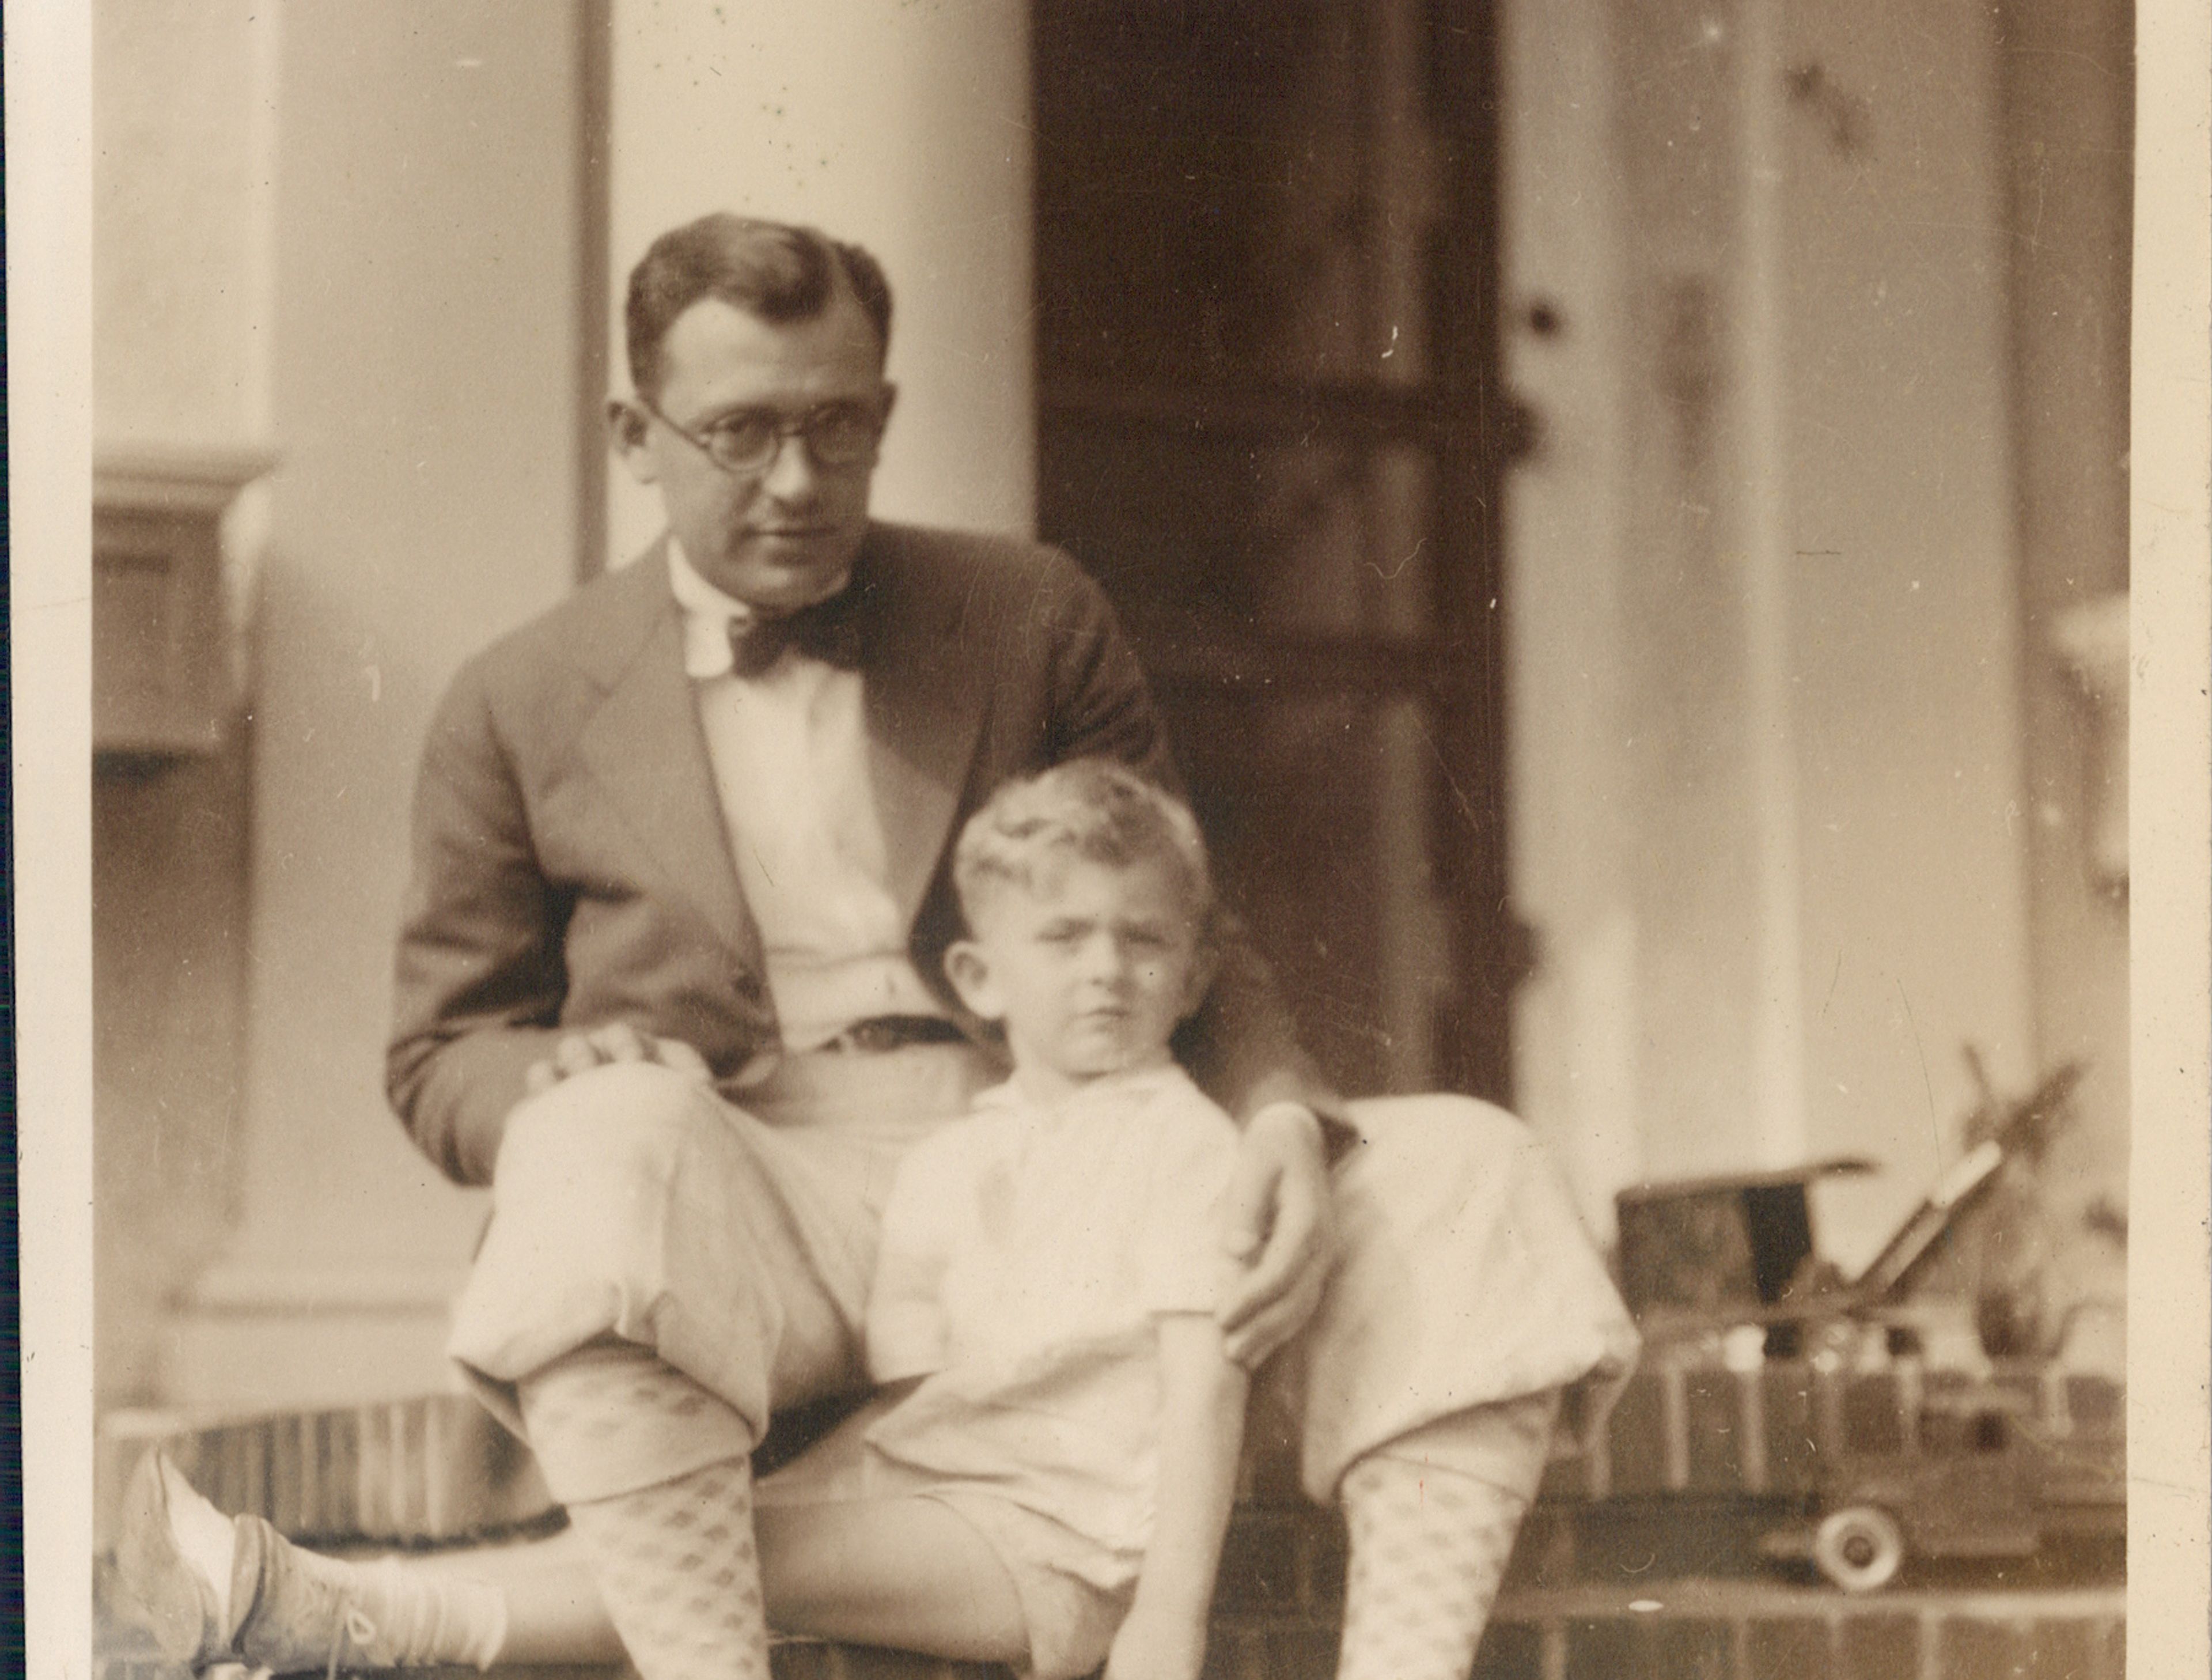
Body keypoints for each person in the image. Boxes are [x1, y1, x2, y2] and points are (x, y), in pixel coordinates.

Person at [375, 213, 1632, 1680]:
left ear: (889, 415)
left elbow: (1182, 922)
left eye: (839, 429)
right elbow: (438, 1052)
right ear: (632, 434)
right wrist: (551, 1073)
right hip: (747, 1188)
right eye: (740, 434)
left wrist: (1282, 1114)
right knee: (600, 1138)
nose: (795, 481)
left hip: (1054, 1152)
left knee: (1467, 1171)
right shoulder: (516, 698)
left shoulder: (1026, 616)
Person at [115, 762, 1252, 1680]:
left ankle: (333, 1606)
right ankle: (312, 1611)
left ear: (1195, 973)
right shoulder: (953, 1161)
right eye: (1063, 937)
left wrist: (1170, 1619)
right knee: (677, 1530)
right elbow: (909, 1394)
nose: (1106, 969)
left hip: (1070, 1541)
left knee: (709, 1549)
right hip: (940, 1496)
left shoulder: (1190, 1144)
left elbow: (1207, 1391)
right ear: (977, 975)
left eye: (1142, 938)